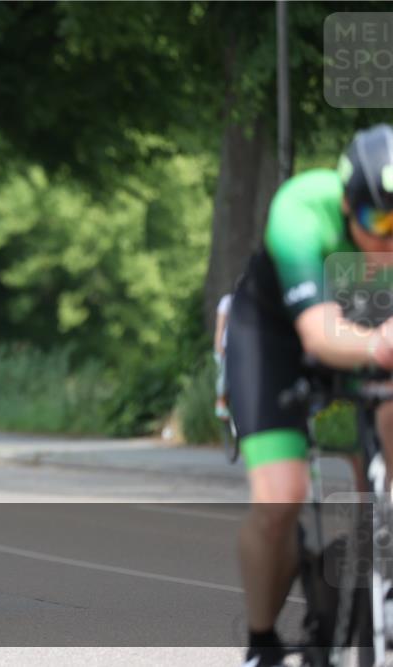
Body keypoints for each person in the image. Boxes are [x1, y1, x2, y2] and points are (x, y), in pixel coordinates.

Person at [227, 124, 393, 667]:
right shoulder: (302, 208)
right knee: (281, 496)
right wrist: (381, 346)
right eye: (377, 220)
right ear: (348, 206)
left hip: (370, 329)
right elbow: (320, 336)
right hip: (276, 335)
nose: (386, 239)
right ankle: (262, 642)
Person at [214, 292, 232, 420]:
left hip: (243, 346)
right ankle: (221, 402)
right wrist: (219, 345)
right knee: (224, 375)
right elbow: (220, 327)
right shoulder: (228, 301)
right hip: (226, 346)